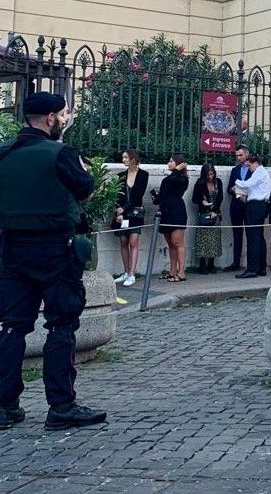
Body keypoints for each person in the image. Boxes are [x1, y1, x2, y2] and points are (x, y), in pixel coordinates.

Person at [0, 92, 107, 431]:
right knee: (61, 325)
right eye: (62, 114)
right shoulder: (61, 154)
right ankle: (61, 406)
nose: (63, 120)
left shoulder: (3, 154)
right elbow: (86, 189)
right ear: (50, 119)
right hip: (56, 251)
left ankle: (4, 407)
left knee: (11, 327)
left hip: (12, 249)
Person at [113, 149, 149, 287]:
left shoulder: (143, 175)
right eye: (123, 157)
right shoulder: (121, 175)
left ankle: (132, 273)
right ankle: (126, 272)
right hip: (123, 214)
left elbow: (138, 196)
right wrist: (119, 212)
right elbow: (118, 194)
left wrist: (124, 209)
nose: (123, 160)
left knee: (133, 241)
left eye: (126, 157)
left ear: (133, 159)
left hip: (135, 212)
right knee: (123, 241)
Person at [234, 152, 271, 278]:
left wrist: (236, 181)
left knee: (253, 238)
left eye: (249, 165)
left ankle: (252, 268)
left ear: (255, 163)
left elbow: (247, 184)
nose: (248, 168)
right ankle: (261, 267)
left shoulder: (259, 172)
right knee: (258, 237)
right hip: (258, 205)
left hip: (256, 205)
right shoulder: (261, 172)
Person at [154, 154, 189, 282]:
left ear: (178, 164)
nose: (169, 164)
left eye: (171, 162)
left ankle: (181, 272)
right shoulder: (168, 178)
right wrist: (156, 198)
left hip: (176, 211)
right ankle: (172, 270)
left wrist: (177, 171)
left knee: (177, 242)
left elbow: (176, 183)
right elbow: (163, 192)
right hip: (166, 211)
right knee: (170, 243)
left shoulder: (182, 178)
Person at [191, 162, 224, 274]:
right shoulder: (200, 183)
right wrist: (202, 202)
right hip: (204, 214)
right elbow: (194, 198)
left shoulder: (218, 182)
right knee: (203, 239)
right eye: (209, 174)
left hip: (215, 214)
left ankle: (211, 263)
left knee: (214, 239)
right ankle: (202, 264)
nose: (211, 177)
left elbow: (220, 198)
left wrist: (215, 211)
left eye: (212, 174)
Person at [224, 145, 251, 271]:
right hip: (236, 205)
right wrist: (235, 191)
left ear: (247, 154)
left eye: (240, 155)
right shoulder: (235, 170)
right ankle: (236, 262)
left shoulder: (253, 169)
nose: (239, 158)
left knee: (251, 234)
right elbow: (229, 188)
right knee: (237, 234)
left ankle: (251, 263)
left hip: (249, 204)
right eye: (237, 156)